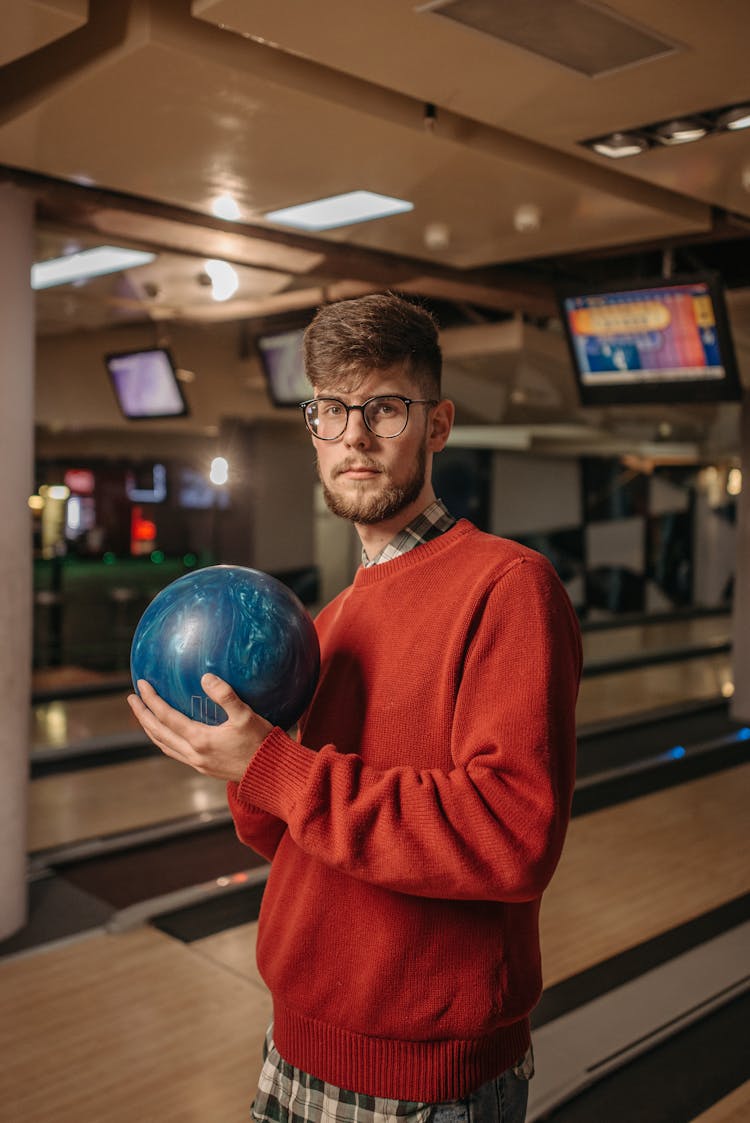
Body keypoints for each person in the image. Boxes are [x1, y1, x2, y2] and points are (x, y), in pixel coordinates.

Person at [128, 293, 582, 1123]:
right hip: (295, 1043)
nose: (355, 437)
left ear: (437, 424)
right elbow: (283, 831)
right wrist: (234, 756)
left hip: (424, 1082)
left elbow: (513, 835)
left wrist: (273, 764)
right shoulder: (324, 625)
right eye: (331, 410)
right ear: (311, 426)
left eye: (385, 408)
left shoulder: (507, 588)